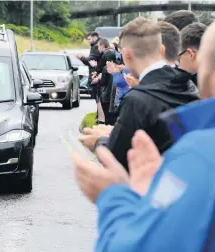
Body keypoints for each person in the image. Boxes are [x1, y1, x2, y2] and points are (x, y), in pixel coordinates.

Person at [72, 21, 215, 252]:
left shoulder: (197, 154)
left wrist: (112, 196)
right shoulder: (186, 87)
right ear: (161, 51)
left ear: (126, 55)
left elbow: (141, 244)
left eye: (204, 67)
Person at [79, 17, 199, 170]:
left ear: (127, 55)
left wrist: (99, 141)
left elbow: (117, 160)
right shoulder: (188, 84)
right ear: (162, 50)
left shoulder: (136, 100)